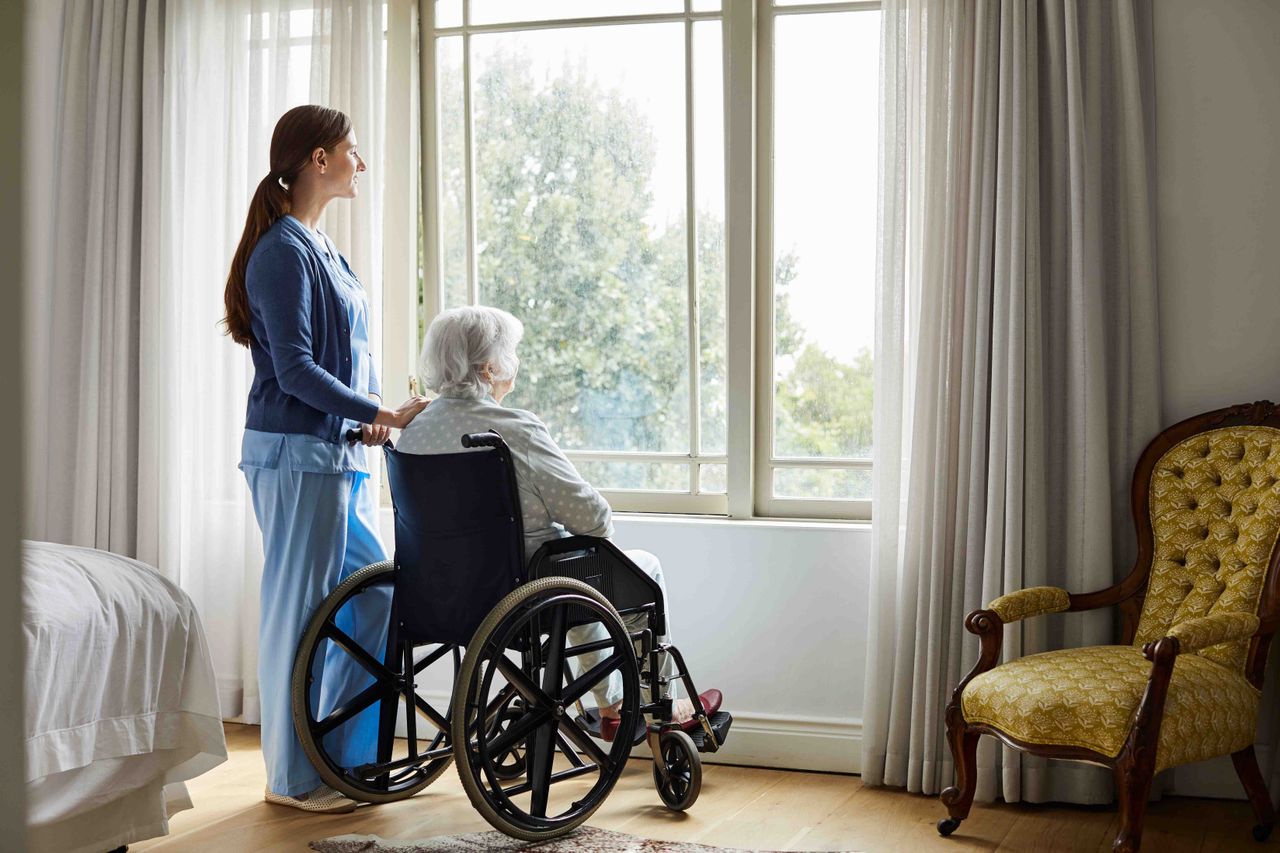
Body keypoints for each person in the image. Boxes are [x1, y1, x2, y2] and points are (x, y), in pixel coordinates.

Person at [222, 105, 428, 813]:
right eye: (350, 151)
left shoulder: (320, 246)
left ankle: (336, 755)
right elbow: (296, 370)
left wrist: (364, 421)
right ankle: (293, 778)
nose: (359, 164)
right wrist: (380, 412)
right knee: (298, 610)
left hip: (330, 454)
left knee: (375, 593)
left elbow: (334, 364)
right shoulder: (281, 250)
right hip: (293, 457)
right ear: (317, 159)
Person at [396, 306, 722, 738]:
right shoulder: (514, 429)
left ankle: (612, 704)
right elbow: (594, 520)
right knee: (631, 569)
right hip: (523, 594)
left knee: (572, 566)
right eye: (511, 353)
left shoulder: (414, 430)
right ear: (490, 367)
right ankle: (639, 704)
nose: (515, 362)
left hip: (437, 593)